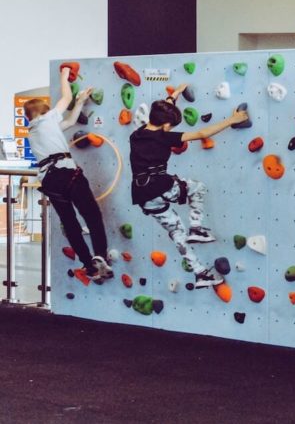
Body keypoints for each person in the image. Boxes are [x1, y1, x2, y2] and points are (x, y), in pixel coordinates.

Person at [129, 84, 248, 288]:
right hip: (162, 186)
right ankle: (196, 228)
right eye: (171, 125)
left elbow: (160, 113)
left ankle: (201, 273)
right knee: (197, 187)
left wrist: (172, 97)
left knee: (176, 232)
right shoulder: (165, 136)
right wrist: (232, 120)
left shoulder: (137, 134)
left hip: (143, 195)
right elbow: (202, 134)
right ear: (166, 125)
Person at [25, 67, 113, 282]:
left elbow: (70, 122)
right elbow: (66, 97)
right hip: (66, 172)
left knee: (70, 222)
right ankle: (100, 254)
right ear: (44, 111)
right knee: (91, 215)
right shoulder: (47, 119)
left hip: (50, 180)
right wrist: (65, 74)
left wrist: (81, 101)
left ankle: (89, 265)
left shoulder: (35, 130)